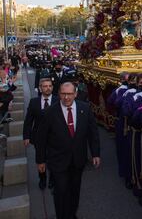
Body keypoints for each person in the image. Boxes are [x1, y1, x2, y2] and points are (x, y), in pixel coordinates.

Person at [36, 82, 100, 219]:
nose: (66, 97)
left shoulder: (85, 108)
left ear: (75, 94)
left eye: (70, 94)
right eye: (63, 94)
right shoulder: (49, 112)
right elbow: (41, 138)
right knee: (61, 191)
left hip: (78, 160)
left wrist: (95, 153)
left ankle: (72, 214)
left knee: (74, 190)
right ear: (58, 94)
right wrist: (40, 160)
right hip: (57, 161)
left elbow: (92, 132)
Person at [23, 78, 58, 190]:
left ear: (52, 87)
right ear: (40, 88)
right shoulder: (34, 102)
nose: (48, 88)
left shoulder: (58, 101)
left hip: (55, 137)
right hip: (39, 138)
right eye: (45, 86)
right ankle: (42, 179)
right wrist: (26, 136)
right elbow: (28, 121)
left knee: (53, 159)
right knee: (41, 159)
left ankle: (53, 179)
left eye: (50, 86)